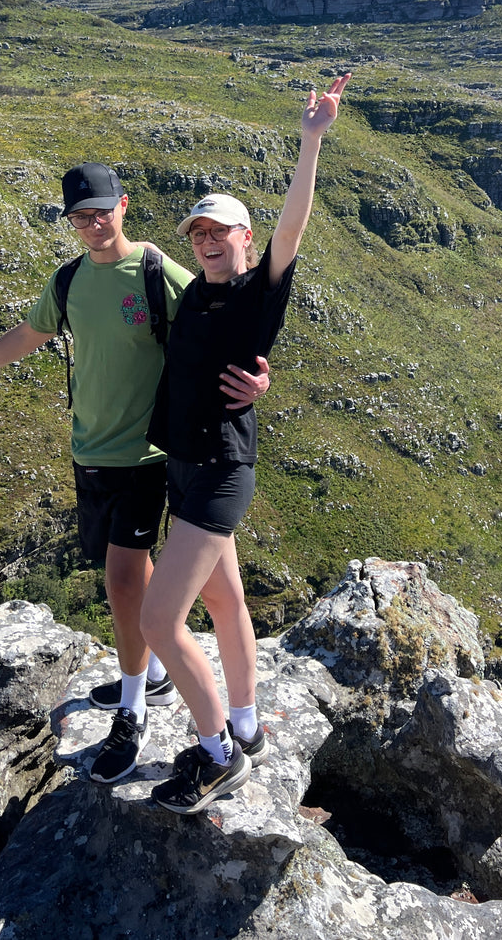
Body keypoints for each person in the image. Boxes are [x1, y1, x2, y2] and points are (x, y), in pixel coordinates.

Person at [0, 162, 270, 784]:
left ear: (123, 206)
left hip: (150, 455)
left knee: (126, 582)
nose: (93, 223)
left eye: (101, 211)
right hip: (92, 452)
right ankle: (176, 686)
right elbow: (30, 333)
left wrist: (259, 377)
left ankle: (137, 710)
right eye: (80, 216)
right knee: (202, 587)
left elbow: (225, 320)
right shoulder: (69, 279)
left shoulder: (157, 272)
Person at [142, 72, 351, 814]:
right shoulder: (191, 294)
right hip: (183, 464)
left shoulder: (256, 290)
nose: (206, 240)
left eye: (218, 231)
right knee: (227, 603)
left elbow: (292, 229)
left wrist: (311, 139)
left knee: (159, 620)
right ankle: (248, 725)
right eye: (197, 232)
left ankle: (215, 756)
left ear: (245, 239)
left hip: (222, 468)